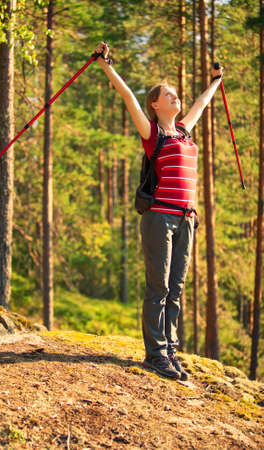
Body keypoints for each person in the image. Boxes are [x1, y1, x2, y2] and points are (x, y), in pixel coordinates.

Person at [94, 41, 223, 380]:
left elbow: (201, 103)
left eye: (176, 95)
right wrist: (107, 65)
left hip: (187, 219)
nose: (176, 98)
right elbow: (127, 98)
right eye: (169, 95)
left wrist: (215, 82)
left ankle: (170, 351)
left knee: (176, 288)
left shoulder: (183, 131)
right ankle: (155, 354)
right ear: (155, 103)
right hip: (159, 218)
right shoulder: (153, 134)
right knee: (159, 287)